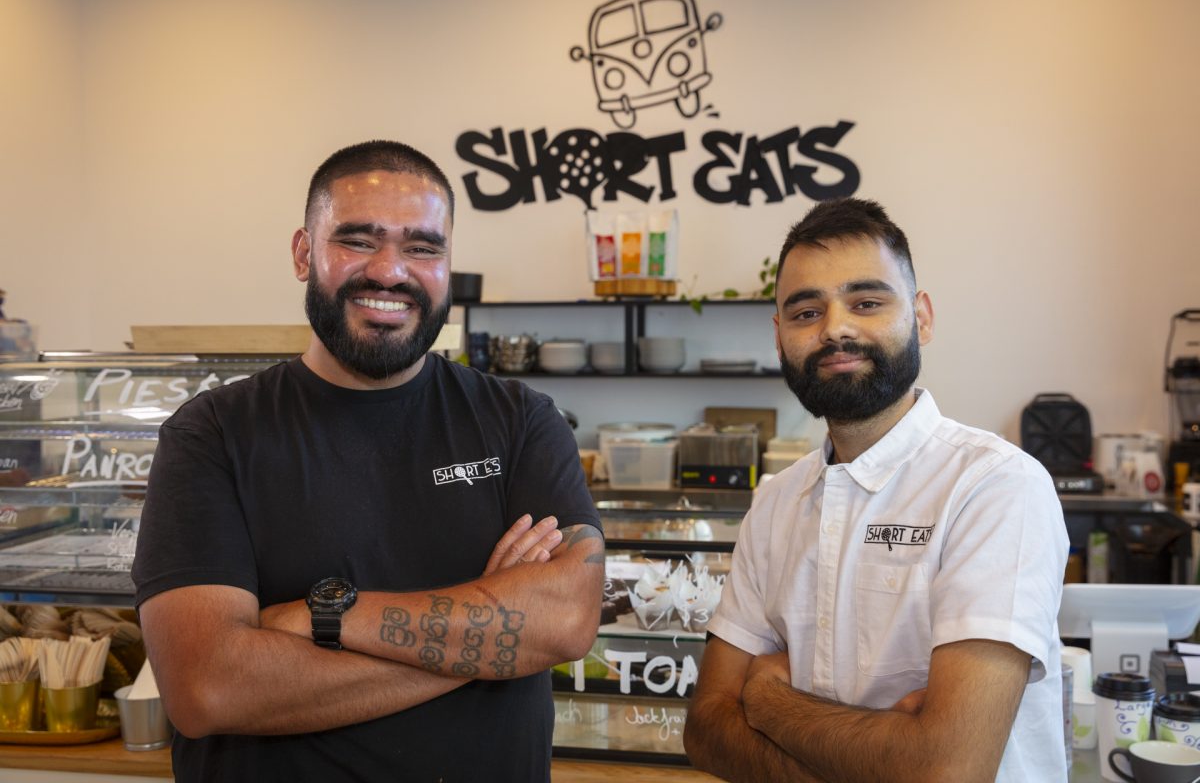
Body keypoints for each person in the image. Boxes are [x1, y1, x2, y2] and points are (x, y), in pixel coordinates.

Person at [132, 140, 605, 782]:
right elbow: (209, 689)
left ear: (446, 264)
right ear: (304, 253)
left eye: (422, 247)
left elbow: (567, 620)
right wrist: (491, 640)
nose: (390, 271)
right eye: (358, 240)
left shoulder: (521, 421)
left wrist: (324, 615)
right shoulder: (212, 434)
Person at [684, 198, 1068, 782]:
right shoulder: (778, 500)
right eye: (806, 311)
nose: (835, 327)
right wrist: (891, 749)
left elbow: (948, 768)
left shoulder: (995, 488)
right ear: (779, 336)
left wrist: (766, 700)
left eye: (866, 302)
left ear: (923, 317)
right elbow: (707, 729)